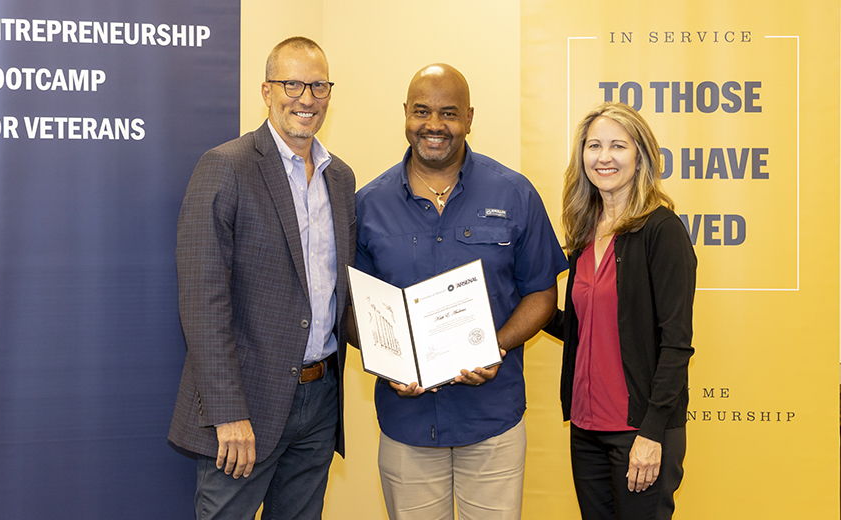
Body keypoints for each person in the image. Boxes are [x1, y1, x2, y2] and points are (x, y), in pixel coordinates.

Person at [354, 63, 567, 519]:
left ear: (469, 118)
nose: (434, 125)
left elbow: (542, 295)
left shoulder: (515, 193)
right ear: (405, 115)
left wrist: (496, 345)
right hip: (406, 421)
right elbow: (355, 307)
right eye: (421, 112)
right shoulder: (368, 204)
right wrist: (387, 360)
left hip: (491, 419)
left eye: (449, 113)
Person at [168, 37, 355, 520]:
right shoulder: (225, 167)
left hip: (320, 399)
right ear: (267, 91)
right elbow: (202, 302)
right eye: (292, 83)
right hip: (246, 404)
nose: (306, 98)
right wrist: (228, 412)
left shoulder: (341, 179)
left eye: (318, 85)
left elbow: (342, 294)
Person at [545, 102, 696, 520]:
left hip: (639, 432)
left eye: (618, 146)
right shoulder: (584, 230)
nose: (604, 157)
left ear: (641, 155)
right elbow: (586, 328)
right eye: (594, 146)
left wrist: (652, 435)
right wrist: (514, 312)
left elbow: (676, 344)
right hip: (585, 429)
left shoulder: (661, 231)